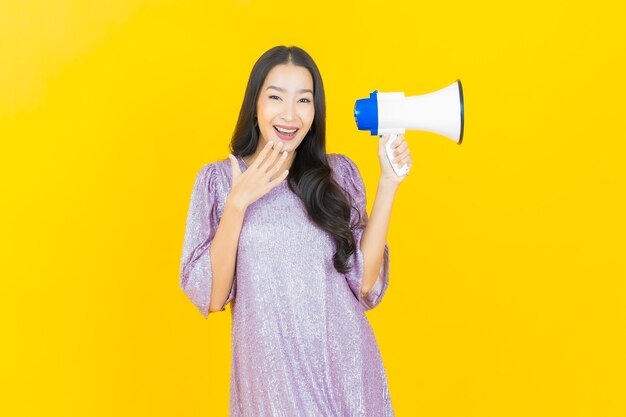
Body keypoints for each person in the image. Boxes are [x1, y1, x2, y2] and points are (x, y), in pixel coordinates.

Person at [180, 45, 412, 416]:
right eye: (275, 97)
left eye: (304, 100)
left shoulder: (338, 176)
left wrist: (388, 181)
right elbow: (212, 296)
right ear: (255, 103)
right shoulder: (221, 181)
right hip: (272, 390)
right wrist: (238, 203)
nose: (290, 114)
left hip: (348, 380)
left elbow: (364, 284)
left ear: (315, 110)